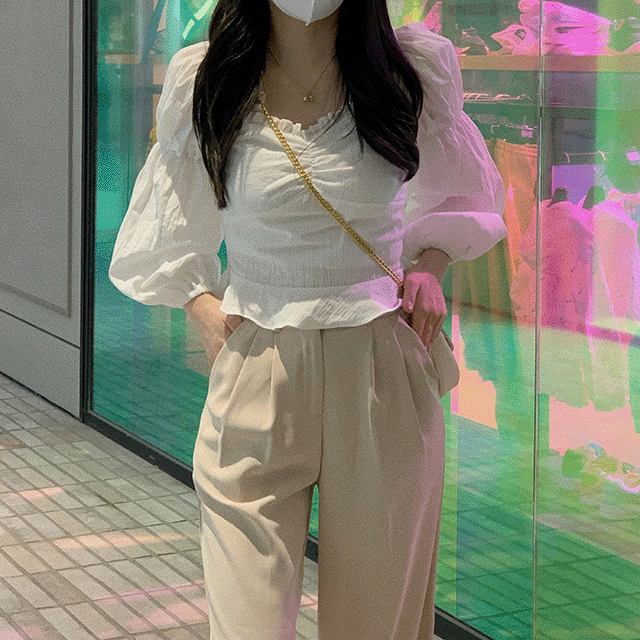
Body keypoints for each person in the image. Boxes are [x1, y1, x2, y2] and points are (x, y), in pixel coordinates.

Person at [109, 0, 507, 638]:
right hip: (257, 362)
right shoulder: (209, 78)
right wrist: (202, 309)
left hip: (380, 364)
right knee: (247, 622)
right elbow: (169, 225)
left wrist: (429, 265)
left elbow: (464, 194)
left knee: (377, 624)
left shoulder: (408, 72)